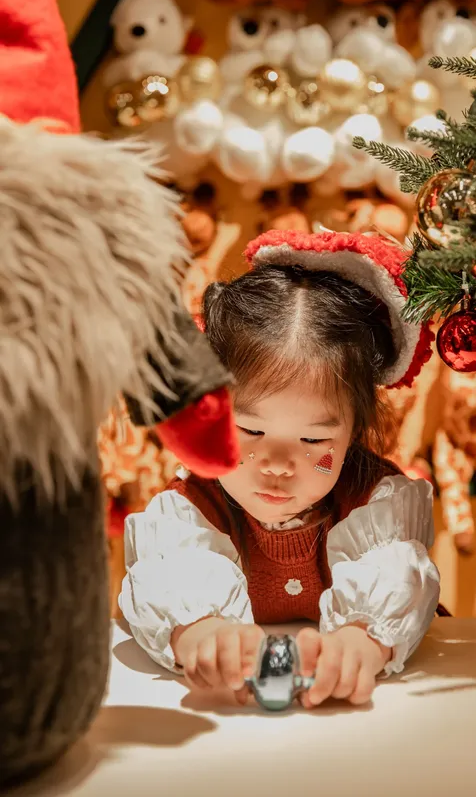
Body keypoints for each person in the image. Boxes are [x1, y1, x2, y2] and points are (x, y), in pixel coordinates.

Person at [120, 229, 441, 708]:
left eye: (313, 440)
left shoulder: (374, 500)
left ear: (354, 430)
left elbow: (398, 580)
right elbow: (171, 580)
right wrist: (203, 635)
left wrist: (360, 644)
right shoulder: (193, 506)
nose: (276, 465)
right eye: (249, 431)